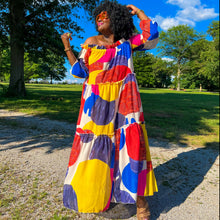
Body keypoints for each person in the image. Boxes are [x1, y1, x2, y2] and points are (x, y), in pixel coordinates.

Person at [61, 1, 158, 219]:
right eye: (98, 16)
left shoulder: (126, 44)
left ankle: (142, 205)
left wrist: (139, 12)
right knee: (94, 150)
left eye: (105, 15)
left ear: (116, 19)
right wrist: (67, 46)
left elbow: (150, 35)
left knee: (131, 149)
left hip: (125, 100)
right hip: (95, 104)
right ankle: (100, 194)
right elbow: (79, 70)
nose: (100, 18)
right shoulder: (90, 43)